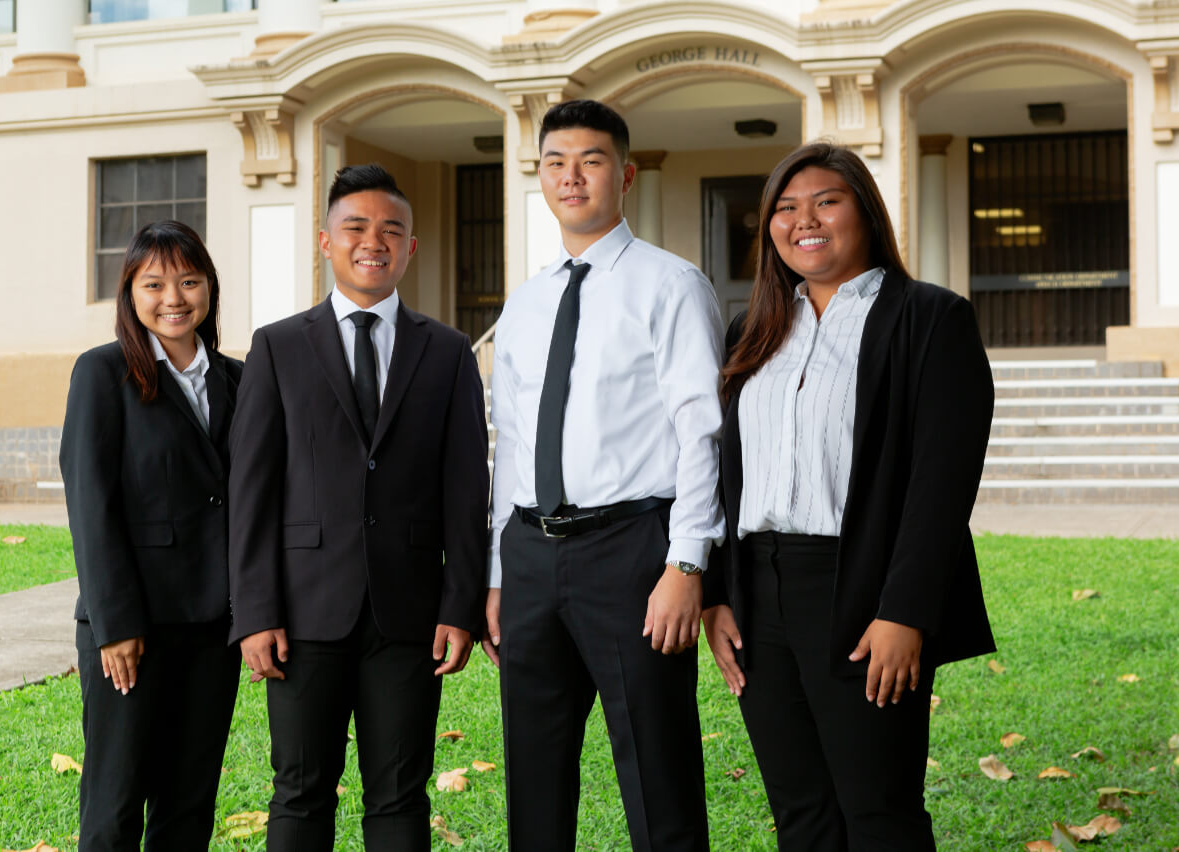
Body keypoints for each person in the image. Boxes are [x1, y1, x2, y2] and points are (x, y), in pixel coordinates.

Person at [701, 141, 996, 851]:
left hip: (862, 589)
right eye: (785, 208)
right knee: (801, 812)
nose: (804, 220)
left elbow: (941, 484)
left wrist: (905, 612)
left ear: (864, 211)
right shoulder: (753, 330)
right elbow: (721, 471)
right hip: (758, 595)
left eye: (826, 201)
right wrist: (717, 592)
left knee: (878, 811)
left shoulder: (930, 319)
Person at [483, 99, 725, 852]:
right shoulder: (524, 304)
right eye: (555, 162)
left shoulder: (671, 285)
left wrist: (686, 565)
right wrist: (497, 571)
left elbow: (703, 432)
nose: (571, 176)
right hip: (528, 557)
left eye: (589, 161)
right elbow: (512, 446)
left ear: (624, 175)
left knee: (658, 771)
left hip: (630, 554)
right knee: (534, 773)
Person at [228, 163, 488, 852]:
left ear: (409, 248)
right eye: (356, 228)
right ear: (325, 241)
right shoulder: (278, 347)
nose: (373, 242)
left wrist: (459, 606)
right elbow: (251, 489)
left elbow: (468, 491)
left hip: (408, 616)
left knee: (400, 795)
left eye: (391, 231)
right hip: (301, 612)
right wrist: (255, 613)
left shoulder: (449, 353)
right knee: (300, 792)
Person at [60, 220, 241, 851]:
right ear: (130, 293)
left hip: (215, 629)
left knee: (189, 802)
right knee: (115, 801)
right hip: (134, 629)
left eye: (189, 281)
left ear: (209, 289)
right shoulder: (102, 375)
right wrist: (115, 624)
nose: (173, 298)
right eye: (154, 283)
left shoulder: (238, 380)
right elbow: (91, 505)